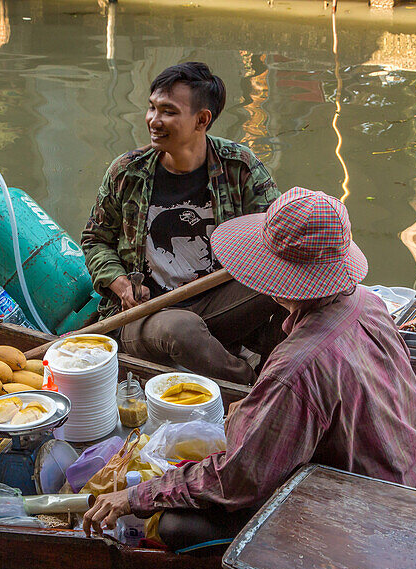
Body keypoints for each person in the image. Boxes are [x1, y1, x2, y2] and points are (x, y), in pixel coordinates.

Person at [84, 187, 416, 550]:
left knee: (176, 526)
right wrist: (253, 414)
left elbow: (236, 480)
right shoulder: (369, 303)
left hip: (367, 520)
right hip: (402, 479)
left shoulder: (297, 368)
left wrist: (135, 496)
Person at [81, 62, 283, 384]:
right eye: (152, 108)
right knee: (181, 329)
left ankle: (281, 365)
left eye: (168, 112)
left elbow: (277, 235)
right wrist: (119, 283)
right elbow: (95, 240)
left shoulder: (239, 166)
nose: (154, 120)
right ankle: (251, 382)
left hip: (215, 300)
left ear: (201, 120)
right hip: (146, 315)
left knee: (292, 280)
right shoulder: (127, 172)